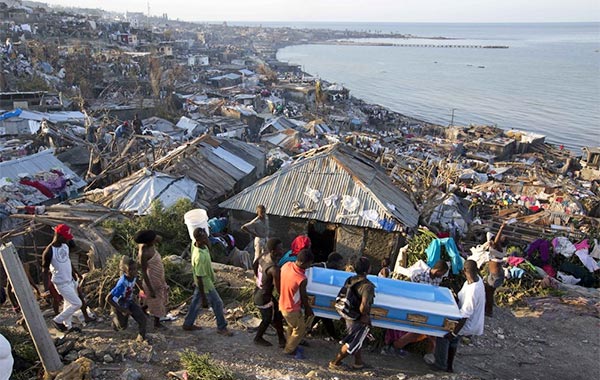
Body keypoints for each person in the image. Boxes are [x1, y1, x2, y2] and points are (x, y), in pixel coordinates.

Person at [384, 260, 449, 357]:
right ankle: (396, 346)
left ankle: (430, 353)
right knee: (416, 331)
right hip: (415, 307)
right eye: (442, 273)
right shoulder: (418, 275)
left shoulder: (438, 280)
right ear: (437, 271)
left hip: (428, 308)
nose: (442, 276)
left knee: (427, 332)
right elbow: (411, 291)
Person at [432, 260, 485, 373]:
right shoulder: (475, 280)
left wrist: (453, 332)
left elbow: (465, 315)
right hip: (465, 319)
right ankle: (449, 366)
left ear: (464, 271)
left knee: (444, 336)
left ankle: (440, 365)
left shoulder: (473, 290)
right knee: (453, 341)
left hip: (466, 323)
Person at [182, 228, 233, 336]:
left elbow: (206, 247)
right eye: (204, 237)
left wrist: (206, 241)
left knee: (195, 302)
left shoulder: (195, 244)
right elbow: (200, 277)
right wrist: (205, 299)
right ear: (199, 239)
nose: (207, 238)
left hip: (203, 280)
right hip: (205, 283)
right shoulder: (199, 257)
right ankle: (221, 327)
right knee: (218, 303)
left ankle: (188, 323)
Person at [329, 256, 375, 371]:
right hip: (358, 317)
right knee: (352, 342)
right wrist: (365, 317)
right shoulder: (367, 286)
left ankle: (358, 363)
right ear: (368, 269)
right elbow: (364, 306)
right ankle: (335, 362)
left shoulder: (351, 279)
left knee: (356, 339)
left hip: (349, 314)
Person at [42, 224, 82, 333]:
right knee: (77, 303)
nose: (67, 240)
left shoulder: (65, 246)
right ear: (59, 236)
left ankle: (67, 326)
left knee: (68, 304)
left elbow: (67, 261)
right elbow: (45, 271)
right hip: (61, 283)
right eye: (66, 237)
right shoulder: (49, 251)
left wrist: (76, 274)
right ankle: (57, 320)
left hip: (69, 280)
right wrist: (46, 289)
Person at [279, 249, 314, 359]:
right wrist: (308, 309)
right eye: (309, 264)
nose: (310, 266)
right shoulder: (301, 278)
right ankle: (288, 350)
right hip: (291, 307)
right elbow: (303, 296)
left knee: (292, 326)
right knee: (300, 328)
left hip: (283, 302)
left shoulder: (287, 265)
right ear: (303, 263)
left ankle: (290, 343)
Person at [252, 238, 286, 347]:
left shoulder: (263, 256)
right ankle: (258, 338)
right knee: (267, 319)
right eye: (280, 249)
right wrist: (284, 299)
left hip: (259, 291)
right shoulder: (274, 269)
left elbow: (255, 265)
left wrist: (259, 279)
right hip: (264, 297)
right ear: (273, 251)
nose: (282, 251)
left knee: (277, 315)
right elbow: (279, 288)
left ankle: (281, 338)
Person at [106, 256, 147, 342]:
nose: (134, 271)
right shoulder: (121, 284)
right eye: (131, 270)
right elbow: (109, 298)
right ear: (125, 271)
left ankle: (141, 336)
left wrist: (142, 297)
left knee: (142, 318)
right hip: (119, 303)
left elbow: (140, 287)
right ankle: (115, 321)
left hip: (129, 301)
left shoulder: (134, 276)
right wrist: (123, 310)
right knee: (122, 326)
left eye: (135, 269)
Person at [135, 230, 169, 329]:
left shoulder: (151, 245)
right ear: (148, 242)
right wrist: (150, 288)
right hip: (152, 281)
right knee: (156, 301)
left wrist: (155, 237)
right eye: (153, 239)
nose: (155, 240)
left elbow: (160, 238)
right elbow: (144, 272)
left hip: (158, 278)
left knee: (149, 299)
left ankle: (143, 310)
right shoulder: (144, 253)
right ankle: (157, 323)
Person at [310, 252, 345, 340]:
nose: (340, 266)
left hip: (322, 298)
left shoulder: (333, 271)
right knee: (323, 315)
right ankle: (334, 336)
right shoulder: (318, 267)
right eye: (339, 264)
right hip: (314, 296)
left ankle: (308, 329)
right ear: (333, 262)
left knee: (322, 314)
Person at [485, 222, 508, 317]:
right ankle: (490, 306)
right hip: (495, 273)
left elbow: (496, 240)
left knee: (489, 292)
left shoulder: (498, 249)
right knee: (490, 290)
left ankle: (489, 311)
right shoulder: (501, 249)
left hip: (496, 275)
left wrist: (501, 228)